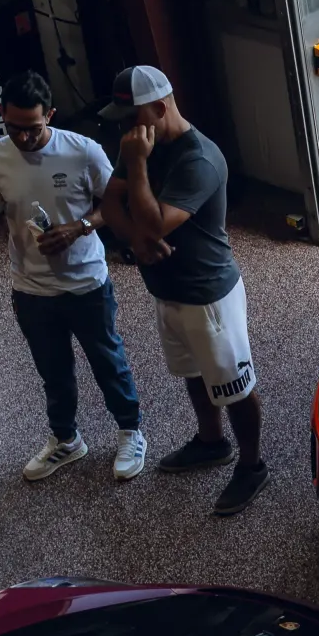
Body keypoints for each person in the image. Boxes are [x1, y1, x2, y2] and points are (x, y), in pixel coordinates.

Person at [96, 65, 267, 516]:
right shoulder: (140, 139)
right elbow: (111, 202)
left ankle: (252, 466)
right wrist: (137, 242)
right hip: (166, 290)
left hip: (208, 295)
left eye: (132, 116)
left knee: (233, 385)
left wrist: (136, 168)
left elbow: (155, 222)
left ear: (160, 105)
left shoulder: (199, 159)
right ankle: (211, 443)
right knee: (191, 371)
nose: (126, 128)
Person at [0, 69, 145, 484]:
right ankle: (66, 440)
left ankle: (131, 431)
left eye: (32, 129)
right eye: (13, 128)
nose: (23, 138)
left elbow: (118, 205)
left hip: (86, 283)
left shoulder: (82, 151)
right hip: (30, 288)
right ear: (3, 115)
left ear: (49, 115)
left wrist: (81, 227)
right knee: (53, 370)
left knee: (108, 361)